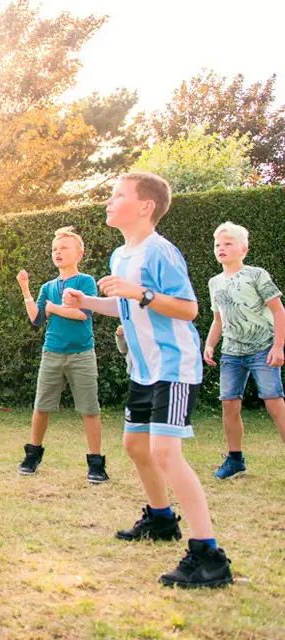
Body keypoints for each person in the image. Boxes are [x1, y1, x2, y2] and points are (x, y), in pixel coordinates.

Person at [64, 171, 232, 588]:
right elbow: (124, 307)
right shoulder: (120, 256)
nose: (108, 201)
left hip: (174, 368)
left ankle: (209, 556)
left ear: (145, 207)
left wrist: (141, 293)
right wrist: (87, 301)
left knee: (164, 453)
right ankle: (160, 520)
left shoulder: (161, 251)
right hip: (143, 370)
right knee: (135, 445)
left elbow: (190, 309)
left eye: (118, 195)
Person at [15, 227, 107, 483]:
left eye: (64, 248)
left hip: (82, 355)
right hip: (52, 354)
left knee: (89, 409)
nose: (58, 253)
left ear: (79, 253)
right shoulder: (48, 287)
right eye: (55, 249)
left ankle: (96, 464)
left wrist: (54, 307)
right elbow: (36, 319)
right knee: (42, 407)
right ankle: (32, 455)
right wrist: (25, 289)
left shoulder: (85, 282)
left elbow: (82, 314)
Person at [203, 221, 285, 479]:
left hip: (263, 349)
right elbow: (218, 320)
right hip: (232, 353)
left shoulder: (256, 274)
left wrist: (279, 346)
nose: (221, 248)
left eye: (228, 244)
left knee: (274, 403)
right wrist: (209, 344)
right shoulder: (214, 282)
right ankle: (235, 460)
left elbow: (278, 310)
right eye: (218, 244)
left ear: (244, 249)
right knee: (229, 404)